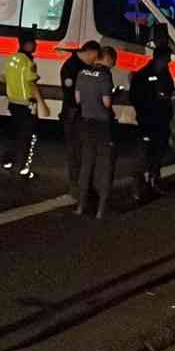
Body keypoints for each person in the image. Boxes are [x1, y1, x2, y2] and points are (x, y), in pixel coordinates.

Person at [0, 31, 49, 179]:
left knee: (14, 133)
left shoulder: (11, 59)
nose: (36, 45)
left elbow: (3, 78)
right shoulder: (28, 62)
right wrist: (42, 103)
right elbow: (31, 83)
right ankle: (23, 168)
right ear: (27, 44)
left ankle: (7, 161)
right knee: (27, 137)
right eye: (34, 42)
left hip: (13, 103)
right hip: (27, 104)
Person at [75, 46, 117, 218]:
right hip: (102, 124)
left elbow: (77, 99)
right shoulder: (105, 75)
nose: (114, 65)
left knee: (86, 164)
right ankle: (101, 209)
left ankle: (80, 206)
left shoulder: (82, 73)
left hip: (86, 122)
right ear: (107, 58)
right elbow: (107, 102)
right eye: (114, 61)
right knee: (106, 165)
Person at [130, 46, 175, 200]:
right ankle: (139, 186)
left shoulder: (164, 73)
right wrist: (152, 104)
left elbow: (170, 90)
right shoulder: (143, 75)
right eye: (167, 59)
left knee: (159, 152)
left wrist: (167, 98)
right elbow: (136, 98)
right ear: (159, 59)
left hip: (161, 121)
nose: (169, 62)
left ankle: (154, 181)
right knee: (144, 154)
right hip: (148, 121)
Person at [59, 40, 101, 199]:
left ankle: (85, 186)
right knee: (75, 153)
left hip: (84, 114)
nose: (95, 60)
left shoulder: (85, 67)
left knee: (86, 153)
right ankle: (76, 187)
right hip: (74, 114)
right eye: (95, 56)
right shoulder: (71, 67)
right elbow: (71, 95)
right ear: (89, 52)